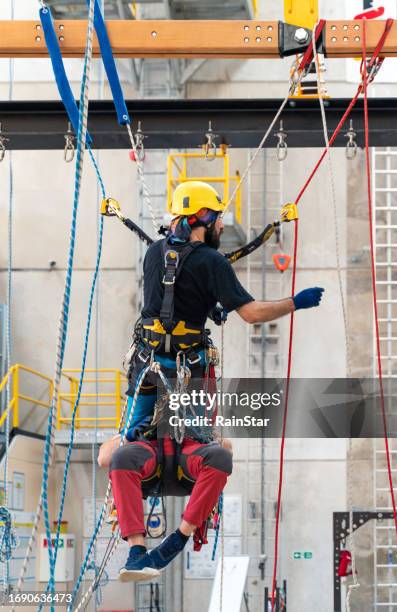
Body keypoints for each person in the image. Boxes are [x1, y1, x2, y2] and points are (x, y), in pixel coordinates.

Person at [99, 180, 324, 582]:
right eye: (217, 218)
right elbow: (251, 313)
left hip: (150, 370)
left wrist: (210, 303)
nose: (221, 226)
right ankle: (142, 551)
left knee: (197, 449)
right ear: (204, 218)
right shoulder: (211, 263)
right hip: (189, 372)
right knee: (147, 450)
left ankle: (161, 545)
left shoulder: (154, 253)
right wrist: (295, 302)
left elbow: (177, 290)